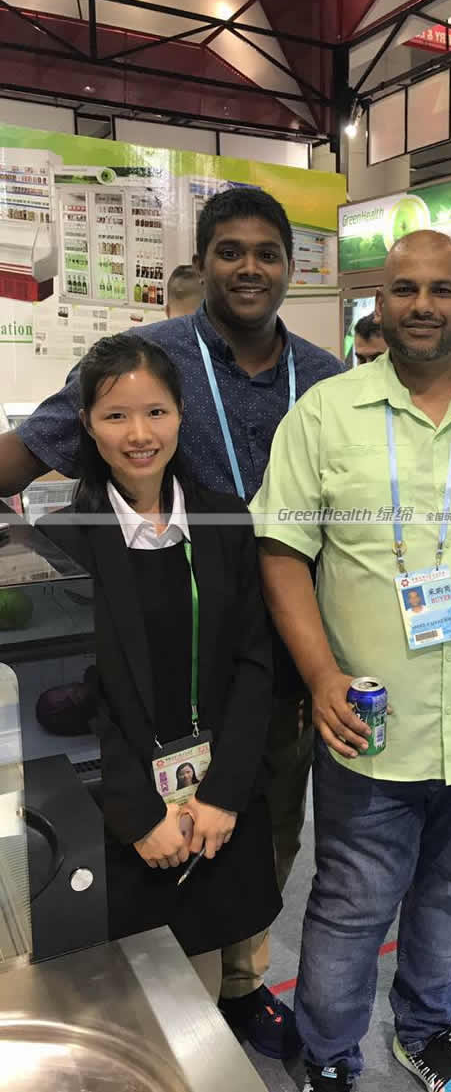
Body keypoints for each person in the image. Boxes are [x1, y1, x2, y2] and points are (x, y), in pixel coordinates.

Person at [0, 187, 344, 1056]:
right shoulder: (152, 358)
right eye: (230, 250)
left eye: (267, 252)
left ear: (290, 267)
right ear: (202, 260)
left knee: (264, 824)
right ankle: (147, 1001)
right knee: (140, 847)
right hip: (153, 633)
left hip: (281, 644)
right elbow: (34, 447)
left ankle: (241, 985)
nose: (249, 268)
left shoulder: (326, 378)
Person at [251, 229, 451, 1092]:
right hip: (369, 719)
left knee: (446, 894)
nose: (423, 305)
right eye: (404, 289)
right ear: (380, 303)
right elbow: (282, 551)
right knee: (352, 900)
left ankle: (426, 1031)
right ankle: (329, 1054)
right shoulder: (324, 414)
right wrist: (321, 675)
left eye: (442, 290)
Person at [39, 333, 281, 1002]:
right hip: (119, 814)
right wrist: (138, 815)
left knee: (200, 990)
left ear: (181, 414)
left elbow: (254, 665)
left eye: (156, 412)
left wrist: (222, 794)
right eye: (116, 415)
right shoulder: (63, 542)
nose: (139, 434)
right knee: (122, 994)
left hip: (214, 805)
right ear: (87, 423)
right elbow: (75, 699)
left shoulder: (225, 521)